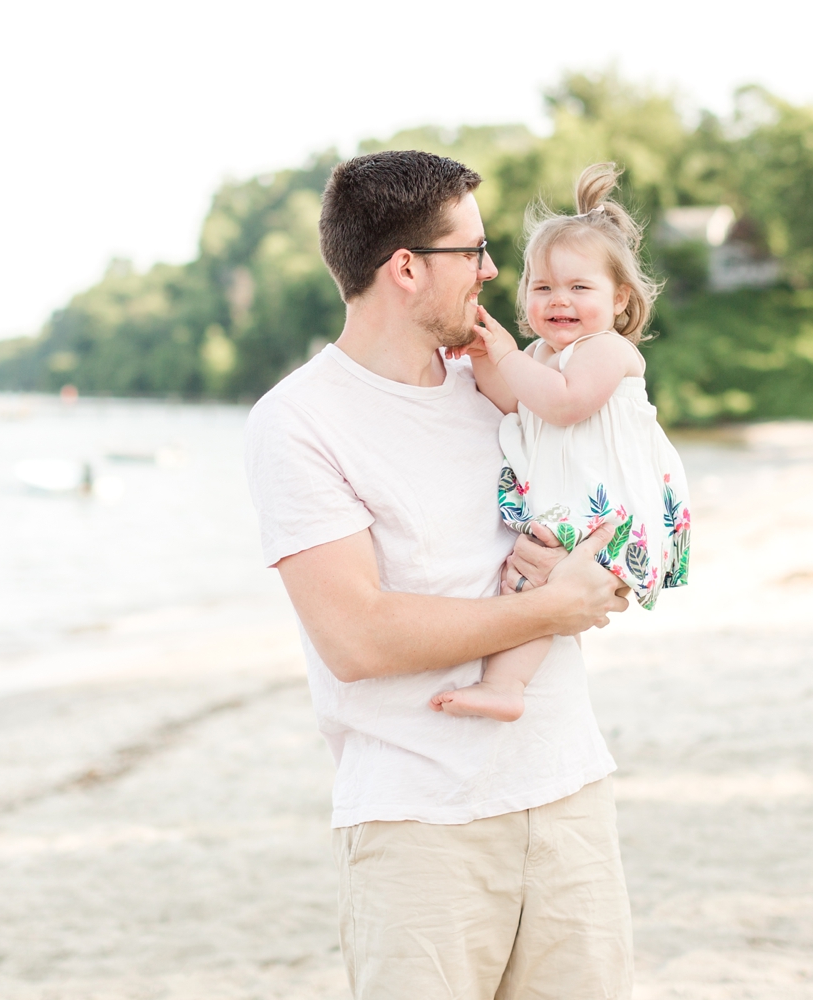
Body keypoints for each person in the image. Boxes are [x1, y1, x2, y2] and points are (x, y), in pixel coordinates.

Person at [244, 150, 634, 998]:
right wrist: (552, 609)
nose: (497, 272)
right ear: (407, 268)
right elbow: (356, 636)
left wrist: (603, 574)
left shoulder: (501, 383)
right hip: (421, 828)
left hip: (568, 796)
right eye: (476, 251)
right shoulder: (299, 422)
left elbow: (614, 491)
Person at [430, 162, 691, 723]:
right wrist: (484, 359)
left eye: (579, 287)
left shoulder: (607, 350)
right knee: (532, 585)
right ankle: (507, 683)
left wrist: (501, 355)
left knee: (539, 581)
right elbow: (514, 402)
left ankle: (507, 684)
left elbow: (565, 402)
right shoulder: (539, 357)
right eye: (542, 287)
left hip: (611, 512)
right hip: (577, 501)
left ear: (620, 299)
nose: (558, 300)